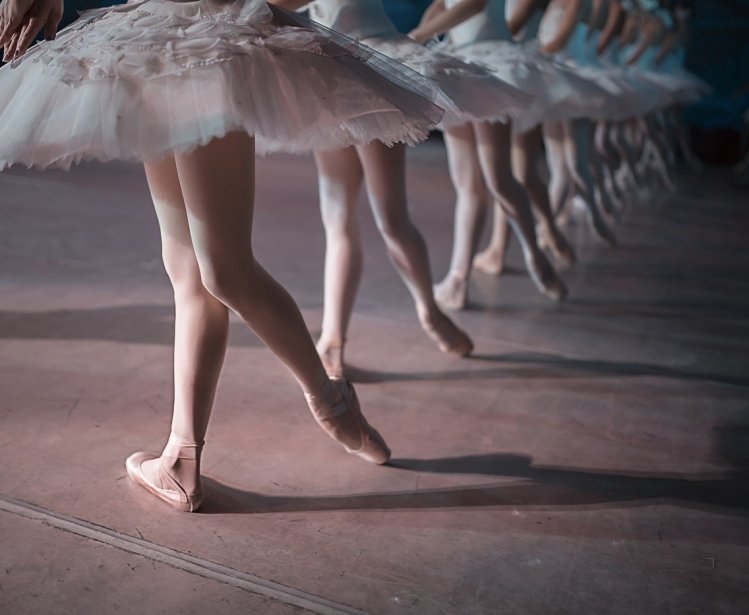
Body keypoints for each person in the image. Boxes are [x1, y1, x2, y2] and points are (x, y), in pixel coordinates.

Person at [0, 0, 447, 512]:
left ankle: (329, 400)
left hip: (207, 45)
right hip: (150, 38)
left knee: (223, 269)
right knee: (186, 267)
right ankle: (182, 457)